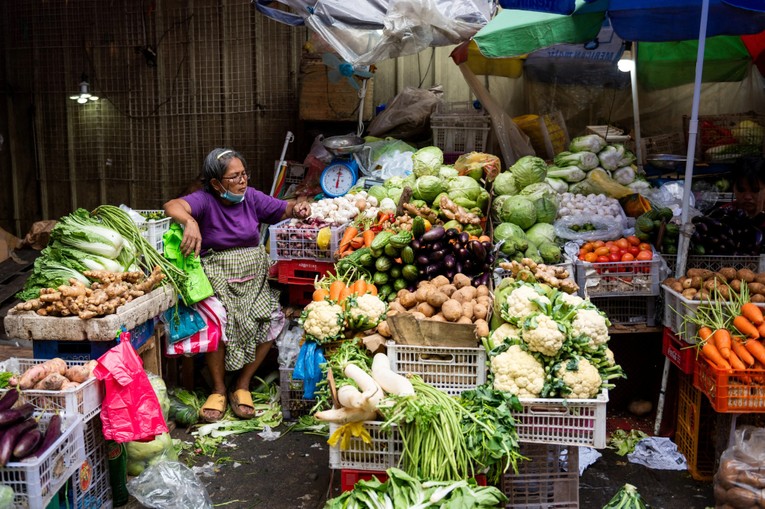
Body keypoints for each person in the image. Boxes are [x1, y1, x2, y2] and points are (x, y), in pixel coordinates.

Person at [164, 148, 311, 422]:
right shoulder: (205, 200)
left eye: (244, 174)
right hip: (218, 277)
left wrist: (298, 207)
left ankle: (242, 384)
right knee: (218, 322)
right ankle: (218, 389)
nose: (243, 181)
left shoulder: (251, 198)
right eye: (234, 177)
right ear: (216, 183)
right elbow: (172, 205)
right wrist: (190, 222)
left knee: (272, 319)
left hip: (254, 277)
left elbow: (285, 208)